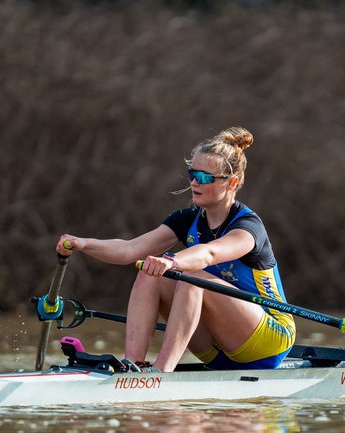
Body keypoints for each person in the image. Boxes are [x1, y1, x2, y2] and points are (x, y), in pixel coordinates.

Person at [56, 127, 295, 373]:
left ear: (231, 182)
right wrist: (84, 244)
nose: (194, 182)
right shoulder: (185, 220)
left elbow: (209, 253)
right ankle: (133, 366)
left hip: (269, 340)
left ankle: (161, 372)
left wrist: (172, 261)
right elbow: (130, 249)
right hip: (217, 350)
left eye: (204, 177)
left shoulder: (248, 227)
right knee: (149, 273)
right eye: (192, 174)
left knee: (192, 278)